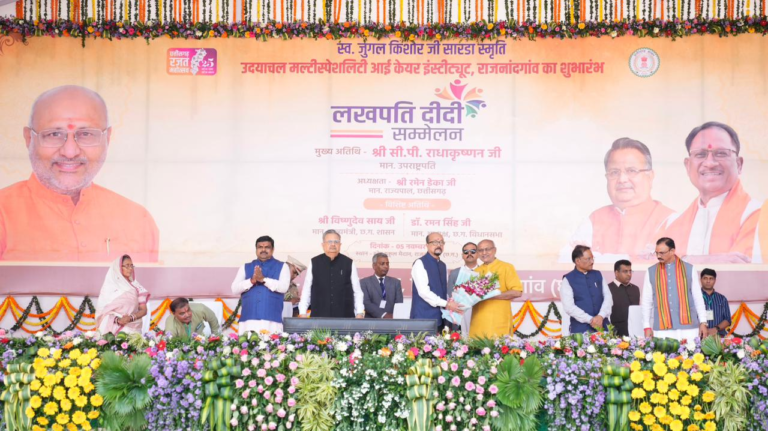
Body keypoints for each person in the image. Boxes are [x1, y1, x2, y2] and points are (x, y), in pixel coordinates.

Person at [0, 85, 159, 262]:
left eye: (85, 134)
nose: (70, 152)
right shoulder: (3, 214)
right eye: (54, 134)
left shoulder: (138, 221)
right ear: (29, 138)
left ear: (107, 138)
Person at [662, 122, 762, 263]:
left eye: (721, 153)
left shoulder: (759, 216)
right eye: (700, 154)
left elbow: (741, 270)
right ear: (688, 165)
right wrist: (696, 260)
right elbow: (652, 267)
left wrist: (677, 261)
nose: (710, 163)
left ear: (739, 164)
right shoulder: (672, 224)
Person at [562, 138, 674, 262]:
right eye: (614, 172)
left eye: (631, 171)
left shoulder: (671, 221)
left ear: (650, 176)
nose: (622, 179)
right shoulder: (594, 220)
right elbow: (567, 262)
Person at [642, 238, 709, 341]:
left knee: (690, 352)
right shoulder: (651, 271)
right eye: (656, 253)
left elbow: (697, 298)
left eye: (662, 253)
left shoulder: (689, 269)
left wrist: (703, 322)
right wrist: (646, 326)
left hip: (688, 328)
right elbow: (647, 301)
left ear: (672, 251)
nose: (658, 256)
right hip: (662, 328)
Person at [298, 230, 365, 318]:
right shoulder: (314, 262)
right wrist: (302, 312)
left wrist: (359, 312)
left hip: (345, 317)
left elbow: (357, 291)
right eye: (329, 241)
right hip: (319, 317)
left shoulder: (348, 263)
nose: (333, 244)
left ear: (340, 245)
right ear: (323, 245)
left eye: (336, 242)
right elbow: (307, 290)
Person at [231, 236, 290, 334]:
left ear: (273, 249)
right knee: (246, 343)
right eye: (260, 247)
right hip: (248, 319)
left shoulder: (283, 266)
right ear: (256, 249)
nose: (263, 250)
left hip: (272, 320)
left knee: (272, 344)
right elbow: (234, 289)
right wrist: (251, 281)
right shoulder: (245, 267)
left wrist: (263, 279)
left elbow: (283, 287)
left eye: (267, 247)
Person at [470, 239, 523, 338]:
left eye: (487, 249)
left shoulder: (506, 267)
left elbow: (517, 292)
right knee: (476, 346)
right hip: (478, 321)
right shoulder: (475, 272)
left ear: (494, 250)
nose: (484, 253)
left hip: (499, 321)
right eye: (480, 250)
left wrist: (490, 295)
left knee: (499, 346)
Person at [411, 232, 464, 331]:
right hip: (423, 318)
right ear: (427, 245)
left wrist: (454, 304)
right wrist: (447, 304)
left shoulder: (443, 265)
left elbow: (443, 291)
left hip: (440, 317)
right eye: (435, 242)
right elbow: (423, 292)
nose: (439, 245)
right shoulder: (420, 263)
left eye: (441, 242)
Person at [560, 245, 613, 334]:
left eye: (592, 258)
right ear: (577, 261)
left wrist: (601, 316)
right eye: (588, 259)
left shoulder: (598, 274)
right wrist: (591, 320)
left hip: (603, 327)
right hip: (580, 331)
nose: (592, 261)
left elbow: (608, 297)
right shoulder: (568, 279)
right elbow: (569, 307)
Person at [94, 254, 150, 335]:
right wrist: (118, 320)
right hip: (111, 329)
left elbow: (144, 310)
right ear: (118, 268)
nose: (130, 268)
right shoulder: (109, 288)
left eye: (131, 266)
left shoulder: (137, 287)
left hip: (132, 330)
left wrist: (130, 318)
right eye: (127, 266)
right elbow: (103, 311)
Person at [447, 242, 481, 333]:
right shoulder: (455, 273)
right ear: (462, 255)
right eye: (466, 252)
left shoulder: (484, 272)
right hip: (460, 314)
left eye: (473, 251)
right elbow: (449, 295)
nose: (469, 254)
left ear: (478, 254)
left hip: (480, 313)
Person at [360, 253, 403, 318]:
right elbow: (366, 303)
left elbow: (399, 304)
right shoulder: (364, 282)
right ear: (374, 266)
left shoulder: (396, 283)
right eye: (382, 264)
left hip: (391, 321)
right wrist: (383, 315)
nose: (386, 266)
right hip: (371, 322)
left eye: (387, 264)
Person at [607, 259, 640, 337]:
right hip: (616, 334)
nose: (629, 274)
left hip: (635, 333)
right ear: (616, 273)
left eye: (630, 271)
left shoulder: (635, 289)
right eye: (625, 271)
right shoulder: (608, 289)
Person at [700, 268, 732, 337]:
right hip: (699, 337)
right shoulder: (695, 297)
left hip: (718, 336)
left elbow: (728, 319)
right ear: (701, 280)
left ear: (715, 280)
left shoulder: (722, 298)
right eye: (705, 278)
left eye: (711, 278)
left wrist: (715, 329)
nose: (708, 281)